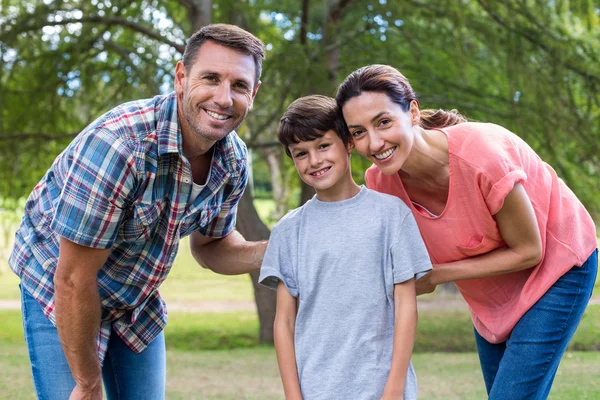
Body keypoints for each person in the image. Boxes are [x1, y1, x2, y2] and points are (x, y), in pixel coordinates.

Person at [9, 24, 268, 400]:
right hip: (60, 286)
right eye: (210, 78)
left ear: (254, 93)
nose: (224, 98)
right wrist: (87, 382)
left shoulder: (233, 160)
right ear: (181, 77)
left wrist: (280, 251)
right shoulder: (121, 146)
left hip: (134, 297)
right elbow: (74, 278)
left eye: (239, 86)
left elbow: (212, 247)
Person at [336, 64, 598, 400]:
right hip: (489, 292)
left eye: (383, 122)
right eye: (358, 132)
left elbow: (530, 250)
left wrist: (438, 275)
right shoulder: (381, 184)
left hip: (559, 268)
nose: (374, 142)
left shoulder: (482, 155)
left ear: (412, 112)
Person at [258, 95, 432, 400]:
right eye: (301, 153)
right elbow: (284, 322)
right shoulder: (289, 230)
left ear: (349, 143)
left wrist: (394, 390)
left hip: (382, 388)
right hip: (316, 390)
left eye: (323, 146)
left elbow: (407, 307)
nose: (314, 161)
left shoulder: (391, 216)